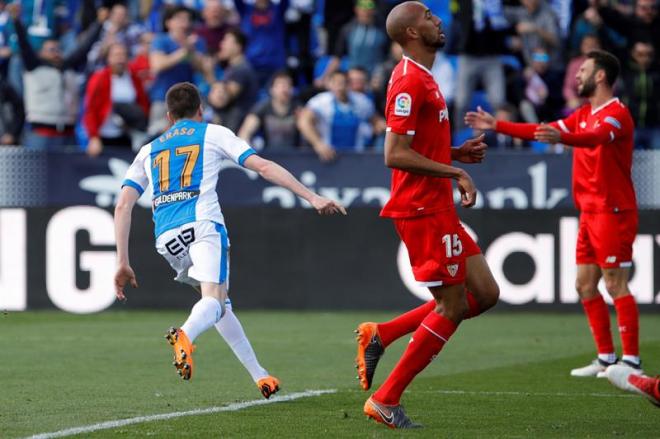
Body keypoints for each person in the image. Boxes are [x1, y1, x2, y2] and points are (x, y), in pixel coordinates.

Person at [113, 82, 345, 398]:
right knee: (213, 301)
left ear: (168, 117)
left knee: (219, 304)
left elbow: (123, 204)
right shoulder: (213, 133)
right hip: (203, 226)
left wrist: (123, 262)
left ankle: (259, 375)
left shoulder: (148, 150)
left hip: (166, 238)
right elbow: (262, 167)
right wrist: (311, 196)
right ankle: (185, 334)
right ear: (200, 110)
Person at [355, 2, 499, 429]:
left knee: (484, 294)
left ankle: (381, 334)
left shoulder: (426, 78)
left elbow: (417, 146)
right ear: (412, 33)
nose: (439, 20)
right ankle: (385, 400)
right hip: (421, 208)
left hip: (437, 205)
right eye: (429, 18)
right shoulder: (406, 82)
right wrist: (455, 170)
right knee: (453, 305)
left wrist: (454, 154)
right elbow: (394, 154)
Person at [465, 49, 642, 377]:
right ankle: (605, 358)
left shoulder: (616, 114)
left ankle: (631, 361)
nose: (577, 75)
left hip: (613, 211)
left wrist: (565, 138)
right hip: (589, 211)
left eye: (584, 70)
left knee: (616, 283)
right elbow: (541, 131)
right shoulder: (583, 113)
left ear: (600, 76)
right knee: (584, 285)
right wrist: (497, 125)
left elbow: (595, 138)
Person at [9, 3, 107, 151]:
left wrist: (99, 23)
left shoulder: (68, 67)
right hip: (40, 134)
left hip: (67, 134)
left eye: (57, 49)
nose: (55, 52)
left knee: (70, 173)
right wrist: (16, 20)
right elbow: (24, 45)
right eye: (50, 50)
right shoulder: (34, 66)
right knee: (37, 174)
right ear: (41, 52)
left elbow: (85, 47)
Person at [83, 42, 150, 156]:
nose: (120, 59)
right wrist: (93, 137)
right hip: (105, 134)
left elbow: (143, 104)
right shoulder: (99, 78)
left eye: (123, 55)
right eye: (116, 55)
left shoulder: (133, 78)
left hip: (128, 135)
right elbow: (90, 109)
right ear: (108, 58)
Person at [298, 70, 380, 161]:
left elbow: (376, 121)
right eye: (335, 83)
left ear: (349, 84)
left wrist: (377, 127)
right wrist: (318, 144)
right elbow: (303, 121)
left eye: (343, 83)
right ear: (329, 84)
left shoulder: (362, 101)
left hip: (356, 157)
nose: (339, 87)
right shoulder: (320, 101)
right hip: (329, 156)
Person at [238, 70, 300, 150]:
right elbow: (244, 133)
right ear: (272, 89)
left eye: (288, 85)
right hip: (269, 155)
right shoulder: (262, 108)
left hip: (296, 156)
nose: (285, 89)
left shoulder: (299, 108)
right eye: (280, 85)